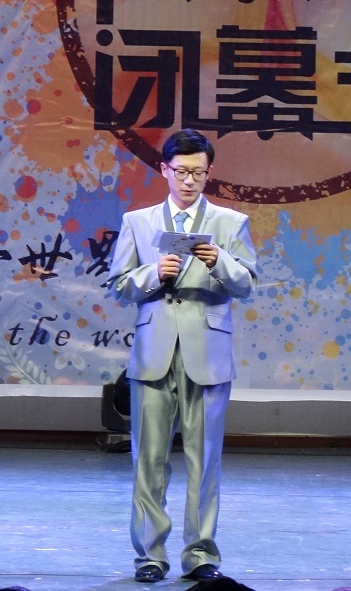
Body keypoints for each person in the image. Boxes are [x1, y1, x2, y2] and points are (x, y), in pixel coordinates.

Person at [110, 129, 258, 583]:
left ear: (209, 172)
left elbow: (247, 284)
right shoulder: (138, 221)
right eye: (181, 171)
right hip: (154, 353)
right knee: (148, 460)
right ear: (164, 170)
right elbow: (119, 285)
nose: (189, 180)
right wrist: (153, 272)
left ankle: (201, 555)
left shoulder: (231, 223)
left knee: (205, 460)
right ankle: (149, 556)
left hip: (207, 354)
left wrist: (219, 261)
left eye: (198, 172)